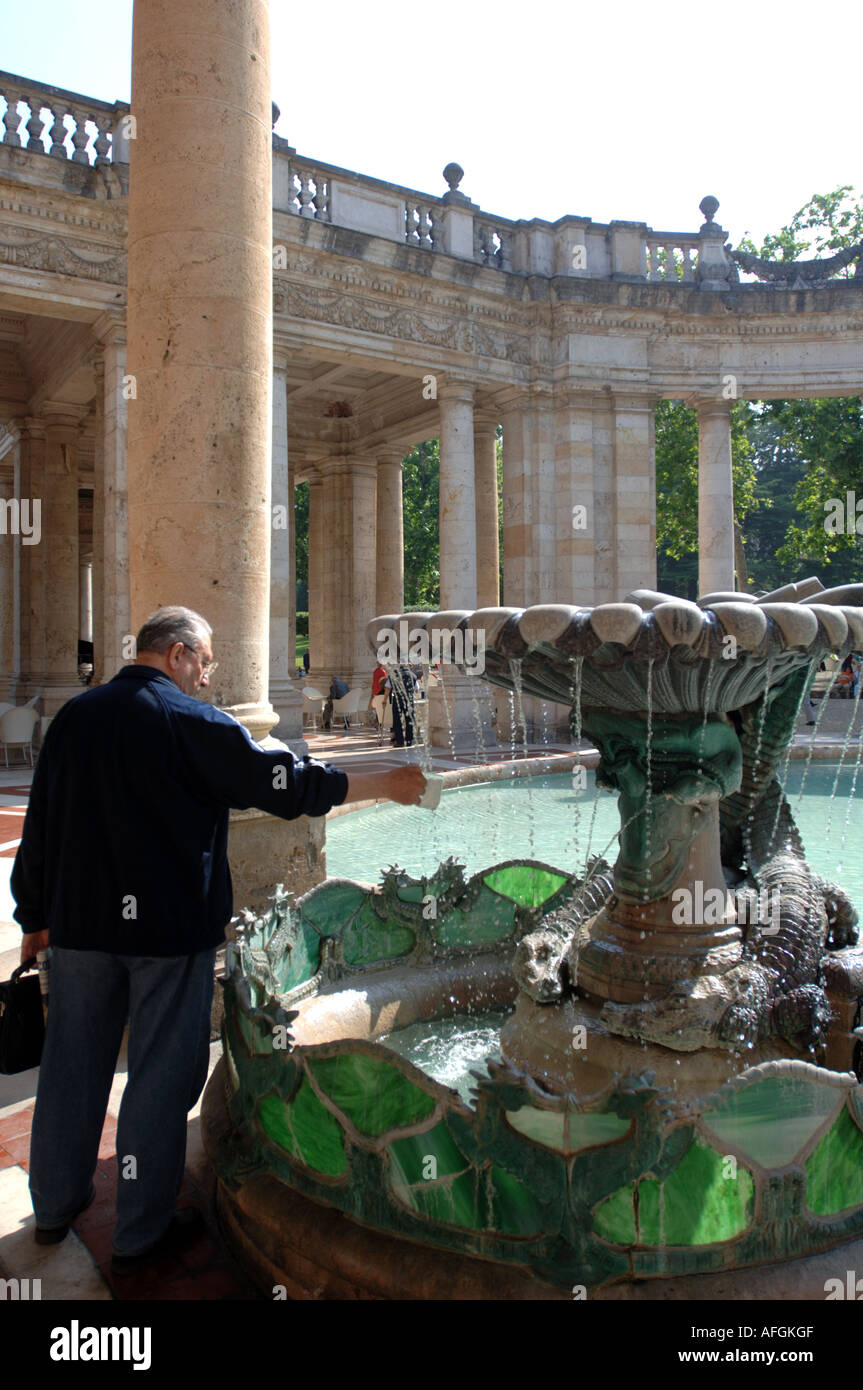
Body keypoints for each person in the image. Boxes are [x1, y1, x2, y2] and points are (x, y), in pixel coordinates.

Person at [11, 606, 425, 1272]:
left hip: (81, 927)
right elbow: (288, 786)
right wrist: (386, 783)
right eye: (203, 662)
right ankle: (140, 1229)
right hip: (168, 933)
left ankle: (55, 1205)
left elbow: (41, 823)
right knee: (158, 1077)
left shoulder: (76, 720)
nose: (206, 677)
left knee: (71, 1068)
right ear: (175, 654)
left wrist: (32, 913)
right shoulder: (193, 722)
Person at [387, 664, 417, 748]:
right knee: (409, 720)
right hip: (409, 700)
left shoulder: (393, 675)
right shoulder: (413, 675)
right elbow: (416, 689)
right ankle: (409, 741)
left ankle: (399, 741)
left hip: (397, 700)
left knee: (397, 720)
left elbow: (387, 687)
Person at [369, 661, 388, 731]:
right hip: (381, 691)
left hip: (375, 691)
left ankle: (377, 723)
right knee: (382, 708)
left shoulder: (375, 671)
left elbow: (374, 682)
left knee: (378, 709)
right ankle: (380, 724)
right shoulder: (383, 671)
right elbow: (384, 682)